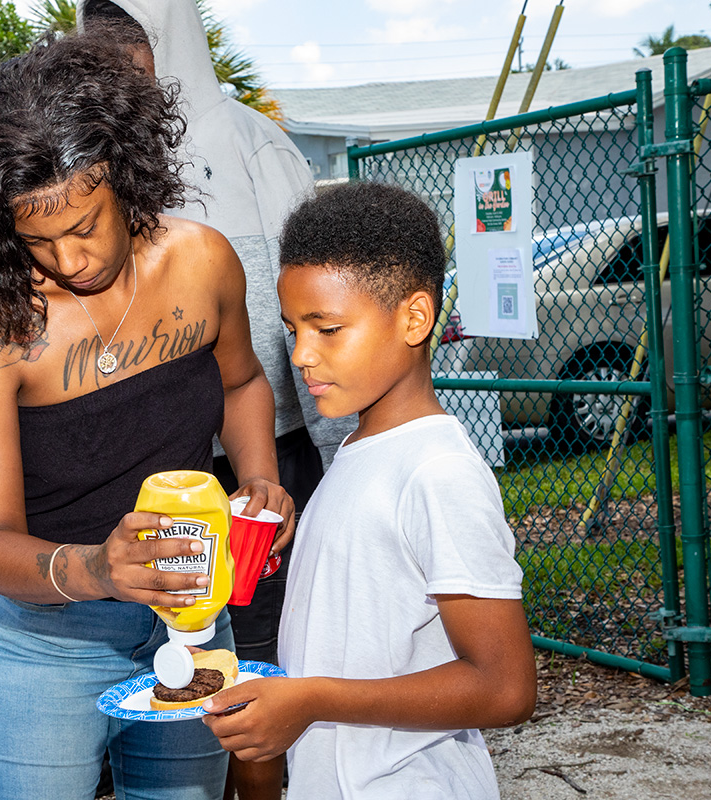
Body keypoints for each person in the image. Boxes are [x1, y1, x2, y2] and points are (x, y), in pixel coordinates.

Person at [0, 30, 293, 800]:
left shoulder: (202, 262)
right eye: (37, 240)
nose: (67, 261)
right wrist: (95, 567)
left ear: (128, 178)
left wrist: (260, 477)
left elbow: (240, 384)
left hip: (195, 625)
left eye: (84, 226)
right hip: (47, 647)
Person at [76, 3, 357, 796]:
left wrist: (334, 456)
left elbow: (309, 307)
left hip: (260, 457)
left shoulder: (251, 144)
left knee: (253, 667)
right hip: (154, 468)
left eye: (133, 55)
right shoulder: (84, 160)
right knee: (166, 667)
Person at [202, 182, 537, 799]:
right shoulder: (360, 447)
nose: (301, 354)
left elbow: (506, 688)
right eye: (292, 328)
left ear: (414, 318)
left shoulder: (439, 473)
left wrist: (311, 700)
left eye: (327, 329)